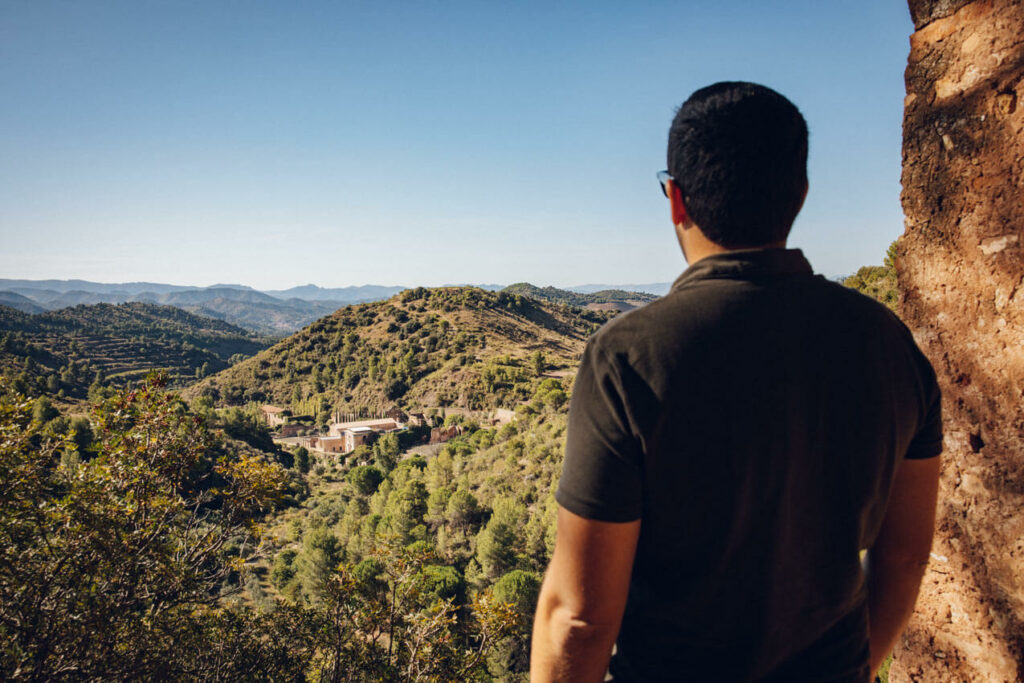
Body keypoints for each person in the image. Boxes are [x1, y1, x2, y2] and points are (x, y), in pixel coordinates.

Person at [530, 82, 942, 682]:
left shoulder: (627, 358)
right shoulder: (887, 343)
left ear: (676, 200)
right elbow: (904, 555)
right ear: (800, 193)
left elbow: (579, 617)